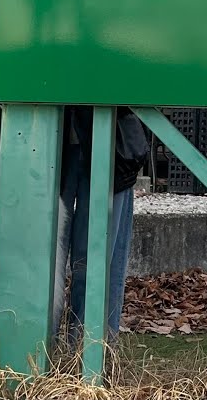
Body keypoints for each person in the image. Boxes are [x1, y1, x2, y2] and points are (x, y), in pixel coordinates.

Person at [56, 106, 149, 345]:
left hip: (112, 137)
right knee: (41, 259)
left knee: (98, 261)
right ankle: (42, 354)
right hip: (50, 133)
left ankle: (91, 351)